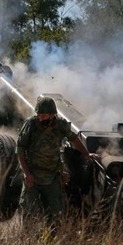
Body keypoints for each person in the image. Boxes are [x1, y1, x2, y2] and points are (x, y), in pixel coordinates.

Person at [16, 96, 94, 236]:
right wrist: (27, 173)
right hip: (32, 176)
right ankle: (28, 242)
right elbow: (20, 149)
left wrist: (86, 154)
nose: (41, 118)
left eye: (44, 115)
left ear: (52, 114)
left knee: (56, 213)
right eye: (39, 115)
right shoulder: (30, 124)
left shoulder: (61, 125)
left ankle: (52, 242)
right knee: (30, 212)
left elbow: (74, 139)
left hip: (51, 176)